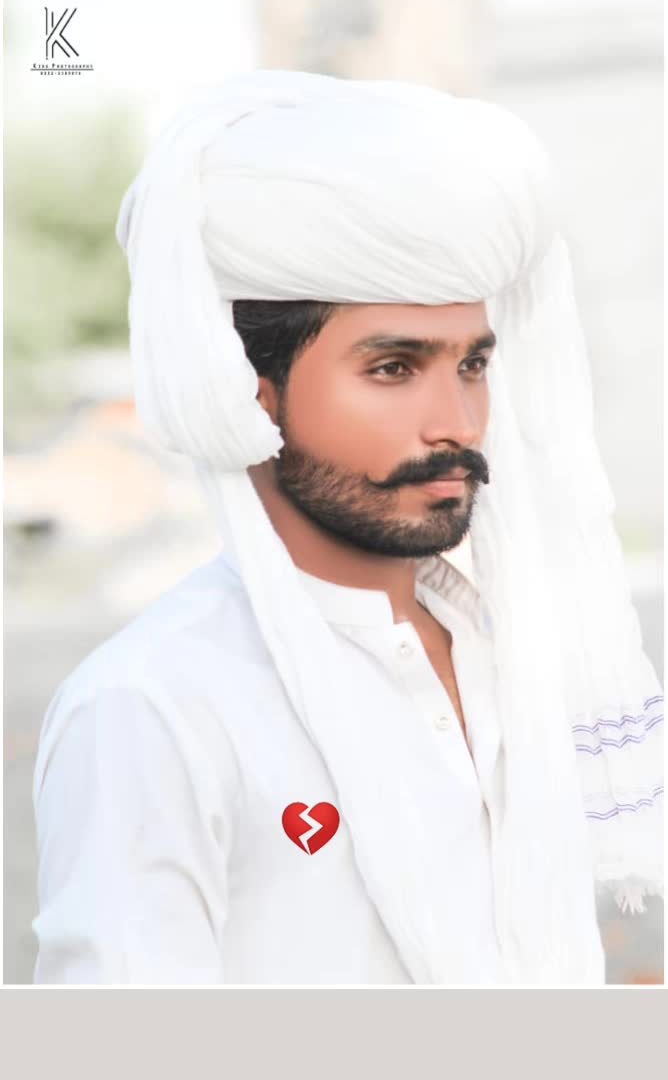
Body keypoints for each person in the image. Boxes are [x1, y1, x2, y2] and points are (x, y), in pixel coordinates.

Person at [32, 71, 663, 986]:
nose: (457, 423)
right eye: (394, 368)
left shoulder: (515, 650)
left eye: (472, 365)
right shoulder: (154, 703)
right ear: (250, 393)